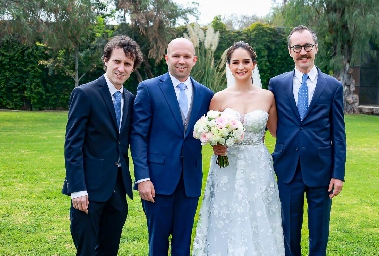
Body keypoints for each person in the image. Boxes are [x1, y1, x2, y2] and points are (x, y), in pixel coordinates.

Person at [192, 41, 285, 255]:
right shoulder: (219, 98)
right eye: (235, 62)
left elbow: (276, 132)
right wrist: (216, 145)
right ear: (229, 66)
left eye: (246, 62)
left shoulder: (267, 96)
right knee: (225, 212)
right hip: (227, 165)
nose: (240, 67)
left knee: (258, 212)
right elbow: (210, 132)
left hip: (257, 163)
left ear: (254, 64)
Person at [130, 37, 214, 256]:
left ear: (194, 60)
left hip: (190, 182)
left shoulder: (206, 94)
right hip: (157, 180)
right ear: (167, 58)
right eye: (176, 56)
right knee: (157, 241)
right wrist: (143, 178)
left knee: (183, 242)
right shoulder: (148, 89)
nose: (181, 61)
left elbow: (210, 131)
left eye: (186, 56)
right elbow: (138, 135)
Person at [268, 25, 346, 256]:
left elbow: (338, 134)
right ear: (290, 51)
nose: (303, 52)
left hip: (321, 168)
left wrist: (338, 174)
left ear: (316, 48)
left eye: (307, 46)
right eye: (297, 47)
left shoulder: (332, 86)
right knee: (289, 231)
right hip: (288, 167)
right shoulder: (277, 84)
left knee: (319, 230)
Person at [62, 35, 143, 255]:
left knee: (110, 250)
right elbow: (73, 145)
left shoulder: (131, 98)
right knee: (87, 250)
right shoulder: (85, 94)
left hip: (117, 191)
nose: (121, 68)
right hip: (87, 190)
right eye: (117, 61)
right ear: (106, 60)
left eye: (127, 64)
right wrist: (77, 188)